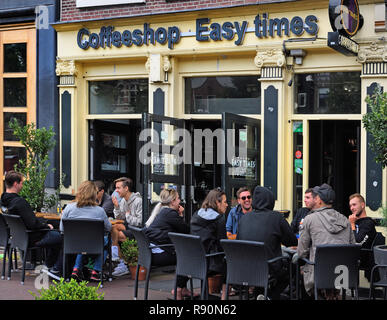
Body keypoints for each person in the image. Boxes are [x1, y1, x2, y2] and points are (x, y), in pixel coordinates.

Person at [237, 185, 298, 300]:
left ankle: (260, 295)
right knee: (291, 268)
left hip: (244, 268)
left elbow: (239, 242)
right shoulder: (276, 217)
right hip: (268, 267)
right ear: (270, 200)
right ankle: (269, 296)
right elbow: (292, 241)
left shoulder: (244, 218)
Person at [297, 183, 355, 299]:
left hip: (318, 275)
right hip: (342, 276)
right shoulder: (345, 220)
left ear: (318, 200)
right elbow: (352, 247)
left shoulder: (309, 219)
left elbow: (301, 252)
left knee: (299, 267)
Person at [0, 170, 63, 275]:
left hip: (17, 237)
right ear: (16, 184)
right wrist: (46, 226)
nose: (22, 185)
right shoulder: (20, 202)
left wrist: (45, 223)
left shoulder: (4, 201)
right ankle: (53, 268)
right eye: (21, 183)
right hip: (31, 237)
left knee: (54, 226)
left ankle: (49, 266)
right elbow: (32, 224)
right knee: (61, 237)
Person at [144, 188, 194, 300]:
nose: (180, 201)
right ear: (173, 201)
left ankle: (183, 288)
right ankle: (178, 289)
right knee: (189, 258)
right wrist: (181, 214)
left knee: (184, 255)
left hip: (151, 253)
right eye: (178, 199)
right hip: (160, 254)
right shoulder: (170, 213)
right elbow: (186, 230)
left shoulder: (163, 211)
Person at [60, 180, 112, 281]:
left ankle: (76, 269)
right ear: (94, 194)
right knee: (106, 241)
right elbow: (108, 228)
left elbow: (62, 229)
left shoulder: (68, 208)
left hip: (72, 245)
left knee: (81, 240)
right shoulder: (99, 211)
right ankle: (96, 272)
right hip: (94, 245)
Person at [190, 188, 228, 300]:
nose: (227, 205)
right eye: (225, 202)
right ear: (217, 203)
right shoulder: (219, 219)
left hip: (191, 260)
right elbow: (222, 244)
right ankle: (224, 296)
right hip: (210, 263)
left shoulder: (196, 215)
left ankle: (178, 291)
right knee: (230, 262)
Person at [110, 177, 142, 275]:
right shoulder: (124, 200)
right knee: (113, 228)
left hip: (138, 230)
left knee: (117, 234)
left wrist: (128, 216)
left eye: (118, 188)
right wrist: (116, 206)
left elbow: (140, 222)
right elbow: (119, 217)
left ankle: (120, 262)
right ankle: (117, 257)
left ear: (126, 188)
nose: (116, 190)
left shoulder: (138, 201)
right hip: (129, 226)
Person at [348, 193, 377, 281]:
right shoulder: (355, 221)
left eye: (354, 204)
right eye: (350, 206)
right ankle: (334, 291)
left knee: (338, 260)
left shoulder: (368, 223)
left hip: (363, 257)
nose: (352, 208)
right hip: (352, 255)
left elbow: (358, 242)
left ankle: (339, 290)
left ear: (362, 205)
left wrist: (352, 225)